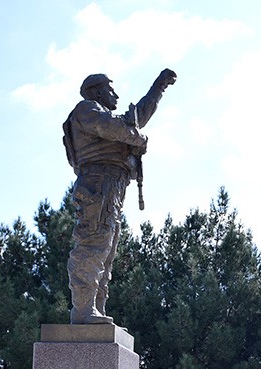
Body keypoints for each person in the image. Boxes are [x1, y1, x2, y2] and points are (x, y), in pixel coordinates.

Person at [62, 69, 177, 325]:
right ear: (98, 91)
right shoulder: (86, 109)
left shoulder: (103, 116)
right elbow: (116, 129)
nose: (115, 95)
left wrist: (158, 88)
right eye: (110, 90)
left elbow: (135, 119)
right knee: (93, 244)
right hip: (97, 184)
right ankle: (83, 311)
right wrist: (139, 139)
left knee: (107, 250)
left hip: (110, 187)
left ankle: (96, 308)